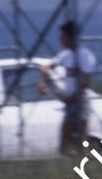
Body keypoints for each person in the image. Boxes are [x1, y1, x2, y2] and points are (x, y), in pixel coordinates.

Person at [40, 21, 97, 157]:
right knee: (68, 130)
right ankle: (74, 156)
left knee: (81, 129)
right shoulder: (64, 54)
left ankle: (83, 155)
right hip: (69, 99)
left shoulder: (85, 55)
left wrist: (70, 97)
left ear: (70, 37)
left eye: (63, 36)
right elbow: (46, 67)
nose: (60, 39)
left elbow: (86, 82)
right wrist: (42, 83)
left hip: (79, 98)